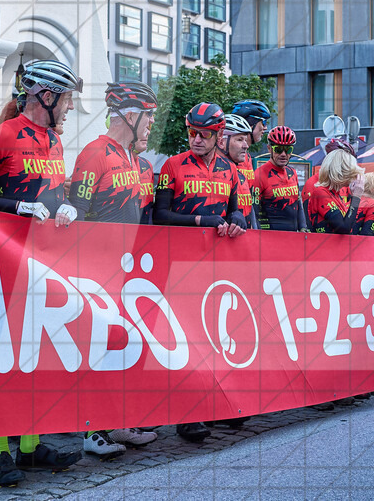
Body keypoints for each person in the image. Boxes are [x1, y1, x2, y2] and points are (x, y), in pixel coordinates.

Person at [0, 59, 83, 482]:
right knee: (5, 354)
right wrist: (15, 206)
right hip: (4, 255)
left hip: (42, 258)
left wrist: (65, 207)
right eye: (68, 98)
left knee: (34, 353)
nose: (71, 107)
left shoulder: (55, 141)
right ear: (46, 96)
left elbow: (53, 196)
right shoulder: (3, 133)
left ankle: (29, 445)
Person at [68, 82, 161, 456]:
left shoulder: (136, 160)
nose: (152, 122)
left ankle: (116, 421)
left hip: (126, 269)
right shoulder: (94, 153)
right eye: (149, 115)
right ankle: (90, 430)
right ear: (130, 115)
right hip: (94, 269)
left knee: (120, 346)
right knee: (95, 347)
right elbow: (75, 212)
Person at [154, 102, 247, 442]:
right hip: (178, 263)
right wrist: (201, 221)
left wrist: (237, 220)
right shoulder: (171, 165)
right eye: (192, 132)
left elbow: (238, 213)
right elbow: (160, 217)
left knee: (212, 338)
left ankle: (214, 404)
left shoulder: (230, 170)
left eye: (203, 134)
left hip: (216, 267)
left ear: (218, 135)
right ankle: (186, 415)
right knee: (185, 340)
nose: (196, 139)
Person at [254, 126, 308, 232]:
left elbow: (298, 204)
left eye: (288, 149)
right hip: (270, 238)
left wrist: (303, 227)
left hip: (292, 238)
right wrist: (257, 235)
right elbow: (254, 210)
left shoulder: (292, 173)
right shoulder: (259, 174)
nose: (283, 154)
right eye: (278, 149)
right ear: (269, 148)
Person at [305, 139, 363, 235]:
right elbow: (343, 228)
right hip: (325, 248)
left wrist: (353, 196)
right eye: (350, 173)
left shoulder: (336, 193)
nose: (353, 178)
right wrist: (356, 197)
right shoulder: (321, 193)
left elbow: (350, 223)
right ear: (341, 173)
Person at [219, 114, 258, 228]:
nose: (246, 146)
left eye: (245, 140)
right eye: (240, 140)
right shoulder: (212, 176)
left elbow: (250, 214)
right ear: (221, 142)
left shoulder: (241, 176)